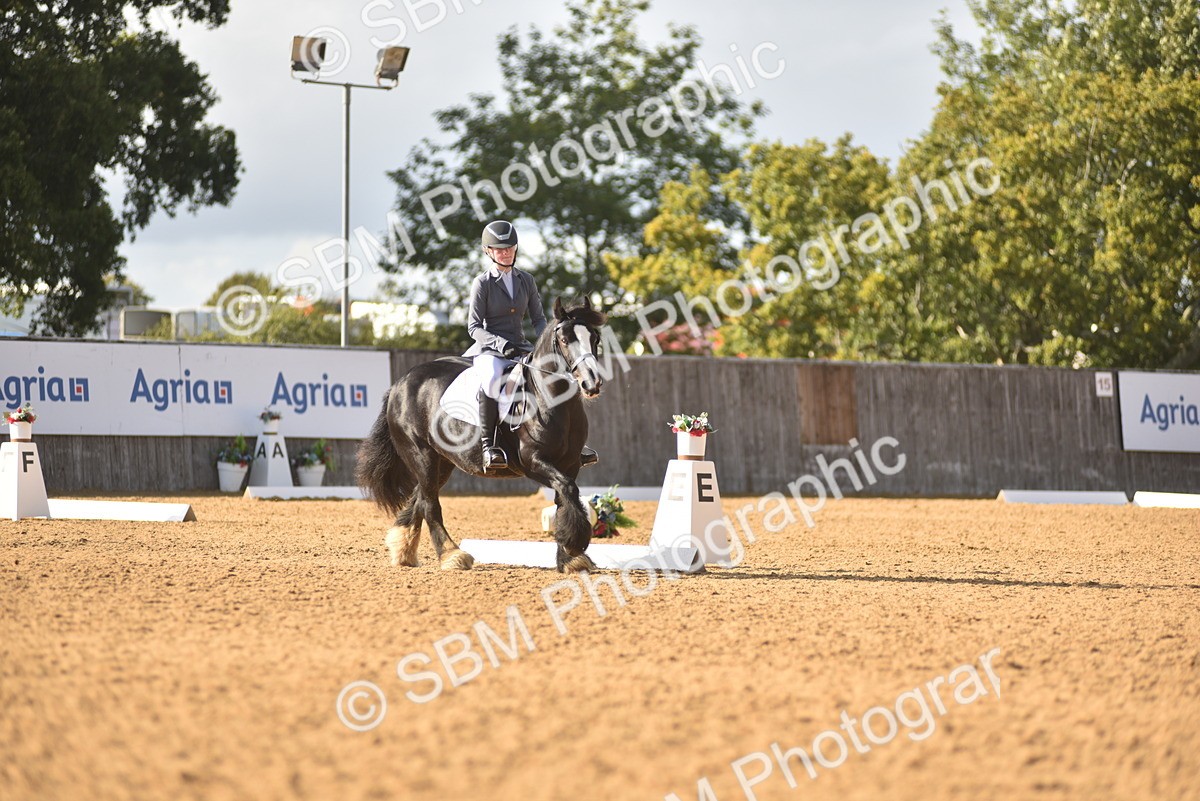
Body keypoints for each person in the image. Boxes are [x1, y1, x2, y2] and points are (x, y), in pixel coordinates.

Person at [462, 220, 597, 472]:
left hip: (522, 347)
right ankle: (488, 445)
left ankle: (575, 445)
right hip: (490, 350)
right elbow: (474, 327)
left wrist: (545, 344)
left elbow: (538, 320)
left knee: (558, 376)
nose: (506, 253)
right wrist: (501, 345)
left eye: (510, 248)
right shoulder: (482, 283)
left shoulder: (526, 280)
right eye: (500, 249)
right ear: (488, 251)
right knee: (492, 378)